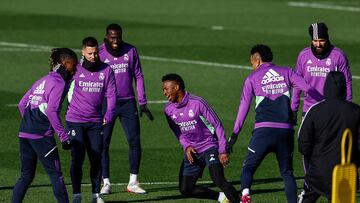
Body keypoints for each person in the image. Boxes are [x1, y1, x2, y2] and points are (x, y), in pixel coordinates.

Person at [227, 44, 323, 203]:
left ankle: (245, 195)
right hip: (285, 132)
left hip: (263, 132)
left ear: (257, 61)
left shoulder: (252, 78)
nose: (252, 66)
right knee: (287, 173)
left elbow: (243, 108)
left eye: (251, 62)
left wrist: (234, 136)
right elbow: (308, 88)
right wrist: (326, 103)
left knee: (248, 168)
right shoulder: (287, 72)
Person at [290, 22, 353, 194]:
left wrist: (346, 108)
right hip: (309, 110)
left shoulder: (339, 56)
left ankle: (335, 181)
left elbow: (347, 83)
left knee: (334, 146)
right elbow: (296, 84)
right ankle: (310, 181)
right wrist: (293, 109)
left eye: (322, 40)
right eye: (316, 40)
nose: (318, 44)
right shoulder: (303, 56)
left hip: (333, 111)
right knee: (307, 146)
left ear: (327, 39)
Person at [12, 48, 78, 203]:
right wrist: (63, 137)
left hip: (24, 133)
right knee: (56, 175)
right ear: (64, 63)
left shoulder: (42, 80)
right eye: (72, 65)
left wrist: (30, 123)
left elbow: (22, 104)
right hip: (41, 136)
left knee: (26, 176)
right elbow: (52, 111)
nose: (74, 69)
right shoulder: (59, 83)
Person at [162, 73, 240, 203]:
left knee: (218, 179)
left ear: (176, 87)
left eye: (166, 88)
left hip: (209, 146)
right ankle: (221, 197)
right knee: (185, 189)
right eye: (163, 89)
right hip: (193, 151)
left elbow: (217, 125)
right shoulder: (168, 110)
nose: (164, 92)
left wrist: (222, 150)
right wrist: (186, 146)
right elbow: (177, 131)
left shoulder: (198, 103)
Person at [98, 23, 153, 194]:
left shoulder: (131, 50)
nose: (115, 41)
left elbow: (138, 75)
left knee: (134, 141)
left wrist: (142, 101)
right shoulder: (99, 53)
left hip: (128, 102)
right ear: (107, 37)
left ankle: (133, 182)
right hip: (107, 103)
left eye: (118, 37)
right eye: (112, 37)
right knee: (103, 143)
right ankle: (106, 182)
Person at [66, 37, 116, 203]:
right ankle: (76, 194)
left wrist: (108, 115)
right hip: (75, 120)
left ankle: (96, 194)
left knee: (96, 158)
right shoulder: (75, 69)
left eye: (95, 53)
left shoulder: (107, 70)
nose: (93, 56)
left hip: (95, 122)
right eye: (89, 53)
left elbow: (111, 94)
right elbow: (61, 88)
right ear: (83, 52)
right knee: (77, 158)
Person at [298, 71, 360, 203]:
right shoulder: (356, 111)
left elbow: (303, 143)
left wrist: (315, 160)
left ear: (326, 87)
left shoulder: (315, 110)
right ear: (344, 88)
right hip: (346, 173)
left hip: (318, 173)